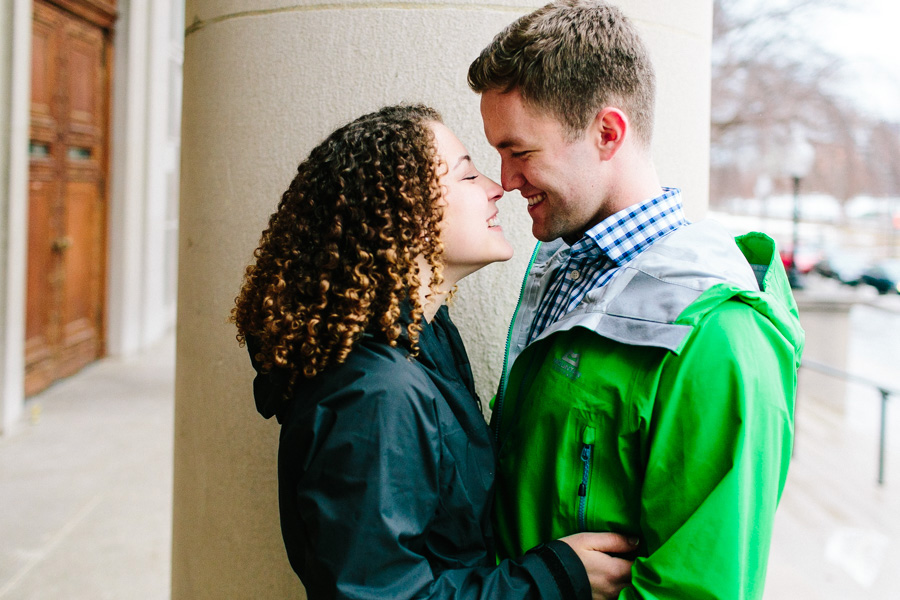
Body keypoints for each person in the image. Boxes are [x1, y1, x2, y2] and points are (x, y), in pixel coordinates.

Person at [467, 1, 805, 598]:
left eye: (520, 152)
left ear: (607, 133)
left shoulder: (719, 335)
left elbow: (698, 589)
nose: (506, 179)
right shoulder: (558, 268)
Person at [231, 104, 637, 600]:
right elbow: (379, 594)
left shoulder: (424, 336)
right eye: (467, 174)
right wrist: (552, 579)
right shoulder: (376, 392)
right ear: (401, 212)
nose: (497, 187)